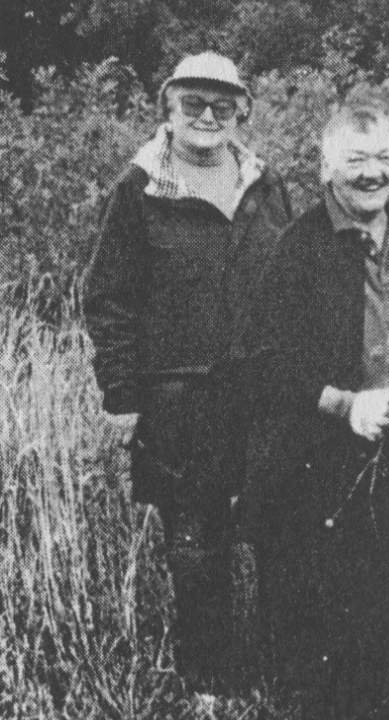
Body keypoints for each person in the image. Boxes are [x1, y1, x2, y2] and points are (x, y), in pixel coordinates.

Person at [243, 95, 389, 720]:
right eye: (355, 160)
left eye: (383, 159)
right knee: (330, 632)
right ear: (326, 169)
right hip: (326, 463)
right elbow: (267, 360)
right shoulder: (298, 246)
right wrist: (343, 405)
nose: (371, 173)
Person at [83, 51, 293, 697]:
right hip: (179, 400)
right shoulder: (137, 190)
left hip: (262, 395)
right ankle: (208, 683)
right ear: (167, 110)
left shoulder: (267, 185)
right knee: (196, 544)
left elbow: (293, 284)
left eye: (221, 105)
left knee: (275, 530)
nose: (207, 116)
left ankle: (282, 677)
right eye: (192, 104)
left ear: (242, 112)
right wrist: (124, 394)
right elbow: (107, 297)